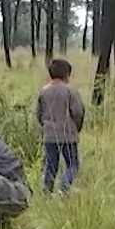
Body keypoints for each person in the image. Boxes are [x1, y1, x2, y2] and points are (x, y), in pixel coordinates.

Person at [35, 58, 85, 194]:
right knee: (73, 164)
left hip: (49, 136)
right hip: (68, 136)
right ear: (66, 74)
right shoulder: (70, 91)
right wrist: (77, 128)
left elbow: (38, 114)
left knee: (50, 165)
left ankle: (47, 190)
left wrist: (45, 127)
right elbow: (78, 112)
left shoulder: (44, 91)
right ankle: (65, 185)